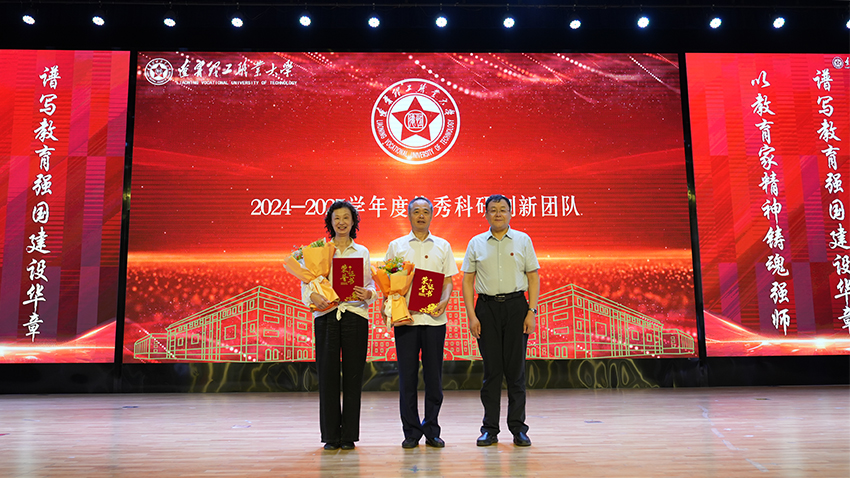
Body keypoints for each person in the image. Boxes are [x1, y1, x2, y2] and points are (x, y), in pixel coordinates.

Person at [461, 194, 540, 447]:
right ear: (485, 214)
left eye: (503, 209)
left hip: (517, 307)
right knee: (492, 372)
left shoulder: (523, 240)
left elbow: (533, 277)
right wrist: (472, 316)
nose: (498, 214)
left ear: (510, 213)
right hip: (486, 309)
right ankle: (489, 429)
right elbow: (467, 281)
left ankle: (518, 428)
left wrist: (531, 311)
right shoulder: (476, 242)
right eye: (493, 210)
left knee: (516, 372)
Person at [384, 197, 458, 449]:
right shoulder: (396, 246)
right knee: (407, 378)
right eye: (416, 211)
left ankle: (432, 429)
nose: (421, 215)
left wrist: (444, 301)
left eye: (426, 211)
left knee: (434, 378)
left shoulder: (443, 245)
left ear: (432, 215)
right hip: (407, 320)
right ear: (409, 215)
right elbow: (388, 283)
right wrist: (392, 306)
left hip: (435, 321)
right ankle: (411, 432)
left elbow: (448, 281)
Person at [303, 200, 376, 451]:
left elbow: (370, 283)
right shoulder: (320, 251)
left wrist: (369, 294)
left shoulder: (362, 251)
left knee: (354, 376)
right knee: (327, 376)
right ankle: (331, 436)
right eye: (337, 218)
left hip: (355, 315)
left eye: (346, 217)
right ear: (330, 222)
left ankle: (349, 436)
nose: (341, 222)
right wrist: (312, 296)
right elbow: (306, 283)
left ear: (353, 221)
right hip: (326, 315)